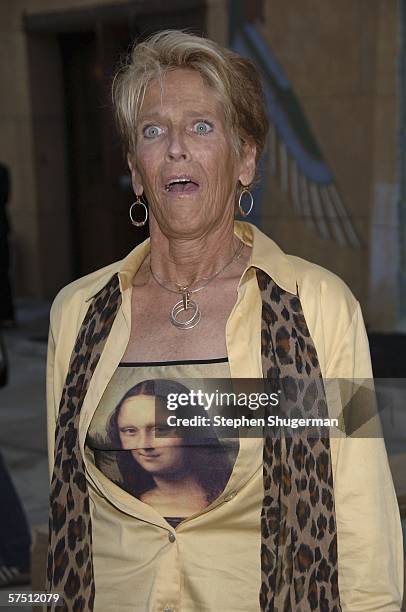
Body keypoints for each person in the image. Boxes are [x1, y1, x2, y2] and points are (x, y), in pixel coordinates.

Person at [45, 30, 403, 611]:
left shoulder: (319, 308)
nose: (177, 149)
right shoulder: (78, 314)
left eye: (202, 127)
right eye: (154, 131)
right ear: (137, 170)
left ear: (245, 160)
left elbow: (362, 516)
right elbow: (68, 511)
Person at [88, 379, 235, 524]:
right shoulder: (121, 502)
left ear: (191, 430)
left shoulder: (230, 494)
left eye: (159, 430)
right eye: (130, 431)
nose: (144, 445)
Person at [0, 162, 16, 328]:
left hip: (1, 231)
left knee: (3, 273)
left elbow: (5, 197)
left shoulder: (3, 170)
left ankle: (7, 316)